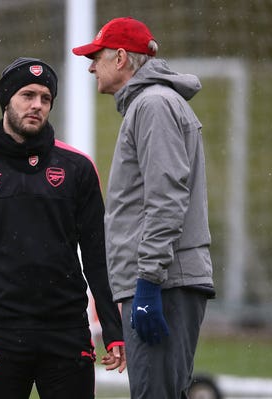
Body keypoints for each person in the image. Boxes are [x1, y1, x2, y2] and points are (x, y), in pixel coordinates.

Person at [0, 57, 125, 399]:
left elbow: (98, 256)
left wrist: (114, 330)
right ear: (7, 99)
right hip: (2, 333)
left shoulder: (78, 169)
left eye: (45, 98)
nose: (37, 105)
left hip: (68, 332)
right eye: (27, 95)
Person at [72, 17, 215, 399]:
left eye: (96, 57)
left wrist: (148, 281)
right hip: (162, 279)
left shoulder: (152, 105)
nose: (90, 66)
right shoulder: (151, 104)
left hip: (163, 281)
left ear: (120, 58)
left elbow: (166, 198)